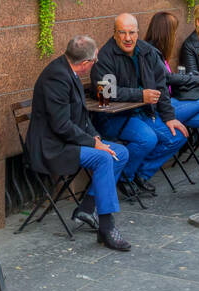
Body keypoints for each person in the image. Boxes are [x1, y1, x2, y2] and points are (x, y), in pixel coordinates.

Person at [27, 35, 132, 251]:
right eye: (94, 61)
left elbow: (81, 118)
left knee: (120, 153)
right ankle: (107, 226)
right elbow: (61, 126)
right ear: (86, 63)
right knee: (104, 158)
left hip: (69, 140)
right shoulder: (56, 78)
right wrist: (94, 145)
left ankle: (87, 206)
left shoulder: (70, 72)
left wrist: (96, 138)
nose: (95, 64)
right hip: (53, 147)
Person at [92, 14, 189, 199]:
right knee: (148, 139)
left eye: (132, 33)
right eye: (122, 33)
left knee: (177, 136)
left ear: (138, 33)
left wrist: (169, 117)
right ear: (114, 34)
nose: (127, 38)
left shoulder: (147, 51)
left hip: (144, 113)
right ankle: (126, 177)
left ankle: (138, 174)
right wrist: (140, 95)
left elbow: (160, 86)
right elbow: (104, 93)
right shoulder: (104, 56)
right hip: (113, 117)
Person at [145, 10, 199, 189]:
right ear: (166, 32)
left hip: (172, 101)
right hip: (161, 109)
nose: (175, 35)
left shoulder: (156, 51)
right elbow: (168, 78)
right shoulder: (151, 52)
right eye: (173, 30)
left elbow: (169, 78)